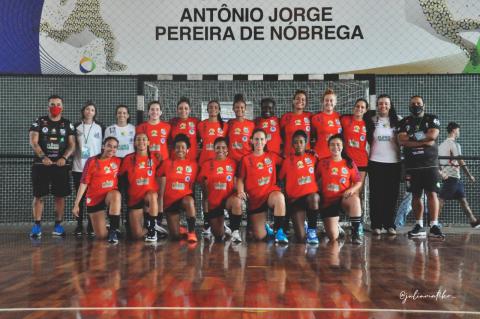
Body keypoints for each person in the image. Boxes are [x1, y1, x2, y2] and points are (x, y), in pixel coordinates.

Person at [29, 95, 75, 238]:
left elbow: (72, 144)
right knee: (38, 196)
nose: (55, 107)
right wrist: (43, 157)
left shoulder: (67, 124)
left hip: (60, 166)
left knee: (60, 196)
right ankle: (37, 226)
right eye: (52, 104)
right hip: (41, 165)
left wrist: (64, 157)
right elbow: (33, 141)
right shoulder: (39, 122)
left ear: (62, 107)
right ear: (48, 106)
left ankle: (58, 225)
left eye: (58, 104)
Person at [398, 95, 444, 239]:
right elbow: (401, 140)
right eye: (413, 104)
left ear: (424, 105)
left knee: (432, 194)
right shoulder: (404, 121)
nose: (416, 105)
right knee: (415, 195)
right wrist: (422, 140)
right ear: (409, 106)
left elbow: (433, 135)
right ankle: (418, 225)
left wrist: (411, 138)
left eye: (418, 103)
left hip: (430, 164)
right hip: (412, 166)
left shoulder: (432, 119)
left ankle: (434, 225)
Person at [236, 128, 288, 243]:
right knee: (260, 237)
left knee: (280, 197)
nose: (259, 142)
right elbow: (240, 179)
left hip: (270, 194)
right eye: (256, 139)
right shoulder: (246, 159)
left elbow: (288, 162)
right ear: (251, 141)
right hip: (255, 199)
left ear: (265, 141)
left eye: (261, 139)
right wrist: (240, 191)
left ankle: (279, 231)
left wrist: (307, 152)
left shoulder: (272, 156)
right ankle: (267, 229)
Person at [72, 137, 122, 244]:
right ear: (103, 146)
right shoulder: (92, 161)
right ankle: (107, 227)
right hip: (94, 198)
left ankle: (113, 230)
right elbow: (84, 183)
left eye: (115, 147)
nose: (111, 149)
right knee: (101, 236)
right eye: (109, 145)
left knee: (116, 195)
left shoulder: (117, 161)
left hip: (109, 195)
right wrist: (76, 204)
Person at [364, 94, 401, 235]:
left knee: (391, 195)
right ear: (377, 106)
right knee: (376, 195)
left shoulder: (398, 120)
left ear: (390, 105)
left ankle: (390, 224)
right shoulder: (371, 120)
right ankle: (376, 225)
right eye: (380, 103)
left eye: (386, 103)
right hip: (375, 162)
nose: (383, 106)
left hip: (394, 163)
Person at [316, 134, 363, 244]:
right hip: (328, 202)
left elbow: (358, 181)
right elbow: (314, 178)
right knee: (333, 237)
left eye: (338, 144)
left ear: (342, 146)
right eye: (332, 144)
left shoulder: (349, 163)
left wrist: (351, 190)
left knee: (355, 199)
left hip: (343, 199)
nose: (335, 147)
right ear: (328, 147)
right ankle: (337, 227)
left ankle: (356, 233)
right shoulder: (323, 163)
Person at [197, 137, 243, 242]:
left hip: (228, 200)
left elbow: (239, 179)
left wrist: (239, 191)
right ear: (214, 149)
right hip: (214, 202)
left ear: (227, 150)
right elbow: (202, 184)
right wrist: (207, 200)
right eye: (218, 148)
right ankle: (224, 226)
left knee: (237, 201)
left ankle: (235, 230)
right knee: (218, 235)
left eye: (223, 148)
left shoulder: (233, 163)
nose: (220, 150)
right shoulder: (207, 164)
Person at [278, 130, 320, 244]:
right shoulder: (287, 160)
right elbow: (280, 178)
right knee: (301, 238)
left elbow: (320, 173)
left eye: (301, 142)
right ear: (292, 145)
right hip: (295, 201)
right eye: (296, 142)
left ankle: (312, 230)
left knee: (314, 197)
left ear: (306, 143)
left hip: (309, 198)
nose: (298, 145)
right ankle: (304, 226)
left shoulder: (313, 158)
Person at [157, 134, 198, 242]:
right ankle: (181, 229)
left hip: (184, 198)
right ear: (174, 149)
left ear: (188, 149)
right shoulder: (166, 163)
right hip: (170, 202)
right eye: (178, 147)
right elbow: (158, 181)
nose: (180, 150)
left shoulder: (193, 165)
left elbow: (193, 184)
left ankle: (191, 232)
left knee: (189, 201)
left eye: (183, 147)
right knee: (175, 236)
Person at [119, 133, 160, 242]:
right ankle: (154, 229)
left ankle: (152, 228)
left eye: (144, 139)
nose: (141, 141)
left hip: (149, 198)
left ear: (148, 143)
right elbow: (120, 177)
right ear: (134, 143)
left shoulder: (155, 158)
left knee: (152, 195)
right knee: (137, 235)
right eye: (138, 139)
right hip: (134, 199)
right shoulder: (128, 159)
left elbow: (162, 175)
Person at [72, 102, 104, 237]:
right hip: (79, 167)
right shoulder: (75, 127)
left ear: (95, 113)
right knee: (80, 198)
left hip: (95, 168)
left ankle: (91, 226)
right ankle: (79, 225)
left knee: (92, 198)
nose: (89, 112)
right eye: (87, 109)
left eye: (92, 110)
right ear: (83, 111)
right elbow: (71, 146)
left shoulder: (100, 127)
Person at [438, 122, 479, 228]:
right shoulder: (454, 144)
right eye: (458, 130)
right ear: (454, 130)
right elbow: (460, 161)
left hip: (455, 178)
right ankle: (434, 222)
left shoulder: (441, 145)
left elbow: (437, 163)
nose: (459, 132)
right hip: (452, 178)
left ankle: (473, 221)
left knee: (463, 201)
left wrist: (441, 173)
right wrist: (469, 176)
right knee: (440, 200)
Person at [341, 98, 368, 187]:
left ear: (365, 110)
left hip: (361, 161)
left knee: (357, 191)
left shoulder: (368, 124)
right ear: (354, 107)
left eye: (362, 107)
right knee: (345, 189)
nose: (359, 109)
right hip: (346, 160)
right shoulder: (344, 119)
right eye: (357, 106)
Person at [311, 88, 343, 159]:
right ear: (323, 102)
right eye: (326, 100)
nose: (329, 102)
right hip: (321, 156)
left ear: (335, 102)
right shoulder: (316, 118)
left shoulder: (339, 117)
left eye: (331, 100)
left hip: (336, 157)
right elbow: (311, 137)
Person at [280, 90, 312, 157]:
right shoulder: (285, 117)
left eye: (303, 99)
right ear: (293, 101)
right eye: (298, 99)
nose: (300, 101)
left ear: (306, 102)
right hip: (288, 155)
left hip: (305, 155)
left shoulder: (310, 116)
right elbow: (280, 135)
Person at [197, 99, 229, 165]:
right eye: (211, 107)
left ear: (219, 110)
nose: (213, 109)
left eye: (216, 107)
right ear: (207, 110)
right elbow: (197, 140)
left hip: (219, 158)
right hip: (204, 158)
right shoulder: (201, 124)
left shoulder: (225, 126)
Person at [169, 97, 199, 161]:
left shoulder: (195, 122)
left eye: (186, 108)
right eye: (180, 108)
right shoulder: (172, 122)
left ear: (190, 110)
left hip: (191, 160)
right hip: (175, 159)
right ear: (177, 110)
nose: (183, 110)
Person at [227, 94, 255, 163]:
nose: (239, 109)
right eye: (237, 107)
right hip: (232, 160)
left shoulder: (251, 124)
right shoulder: (229, 123)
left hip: (247, 159)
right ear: (233, 108)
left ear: (245, 108)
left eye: (242, 107)